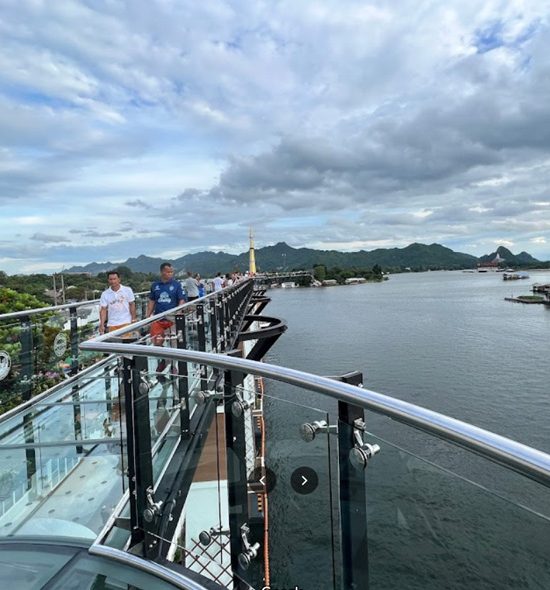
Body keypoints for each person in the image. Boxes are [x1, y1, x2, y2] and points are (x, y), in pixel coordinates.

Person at [147, 263, 185, 346]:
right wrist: (148, 316)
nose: (170, 274)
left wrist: (178, 312)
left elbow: (181, 299)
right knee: (156, 342)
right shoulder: (155, 285)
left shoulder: (176, 284)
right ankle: (164, 358)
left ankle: (171, 358)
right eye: (168, 272)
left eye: (171, 272)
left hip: (172, 318)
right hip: (158, 318)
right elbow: (152, 301)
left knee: (174, 343)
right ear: (162, 272)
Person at [99, 271, 136, 335]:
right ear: (108, 280)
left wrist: (133, 319)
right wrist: (101, 324)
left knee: (126, 342)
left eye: (114, 279)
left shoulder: (127, 290)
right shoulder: (105, 294)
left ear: (119, 279)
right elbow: (103, 309)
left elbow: (132, 304)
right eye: (111, 279)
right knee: (114, 343)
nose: (113, 281)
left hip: (126, 321)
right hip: (112, 323)